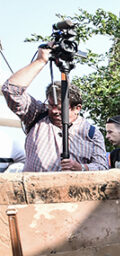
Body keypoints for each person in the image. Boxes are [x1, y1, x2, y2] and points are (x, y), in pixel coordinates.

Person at [1, 44, 107, 172]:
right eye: (51, 105)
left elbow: (102, 167)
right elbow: (10, 90)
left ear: (77, 108)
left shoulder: (92, 133)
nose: (54, 111)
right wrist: (41, 61)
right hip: (34, 184)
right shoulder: (36, 115)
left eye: (61, 108)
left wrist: (81, 167)